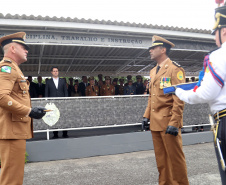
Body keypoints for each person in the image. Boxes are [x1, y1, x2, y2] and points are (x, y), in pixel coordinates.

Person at [175, 4, 226, 184]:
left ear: (224, 32)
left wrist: (180, 93)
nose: (214, 38)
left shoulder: (219, 56)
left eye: (215, 33)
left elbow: (206, 93)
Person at [0, 32, 46, 185]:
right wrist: (29, 111)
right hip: (11, 131)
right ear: (13, 48)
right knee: (11, 178)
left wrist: (32, 109)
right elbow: (1, 97)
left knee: (15, 175)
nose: (27, 50)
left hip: (15, 130)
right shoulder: (7, 68)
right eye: (24, 47)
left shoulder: (15, 69)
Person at [142, 35, 189, 185]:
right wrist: (146, 115)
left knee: (175, 161)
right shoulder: (152, 71)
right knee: (161, 161)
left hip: (169, 122)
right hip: (155, 123)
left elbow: (179, 97)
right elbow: (152, 96)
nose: (150, 50)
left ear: (163, 50)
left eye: (153, 48)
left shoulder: (175, 69)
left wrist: (175, 122)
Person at [45, 66, 69, 139]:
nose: (55, 72)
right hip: (53, 103)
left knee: (63, 117)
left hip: (62, 102)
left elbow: (65, 91)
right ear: (52, 72)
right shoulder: (48, 81)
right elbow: (46, 92)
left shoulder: (62, 81)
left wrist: (66, 100)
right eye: (54, 71)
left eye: (56, 71)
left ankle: (65, 133)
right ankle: (55, 134)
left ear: (58, 72)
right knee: (53, 117)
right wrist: (47, 102)